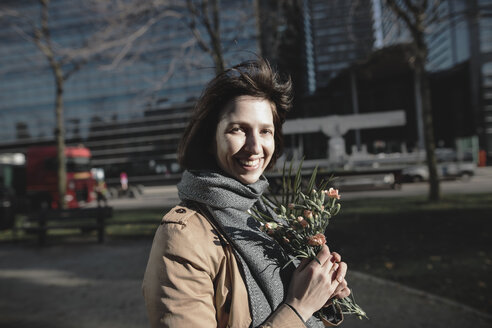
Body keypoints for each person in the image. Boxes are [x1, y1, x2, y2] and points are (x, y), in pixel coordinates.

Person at [142, 59, 350, 328]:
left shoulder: (268, 214)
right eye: (237, 129)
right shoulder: (182, 236)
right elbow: (295, 307)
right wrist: (298, 308)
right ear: (210, 138)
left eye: (265, 131)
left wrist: (322, 294)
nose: (254, 147)